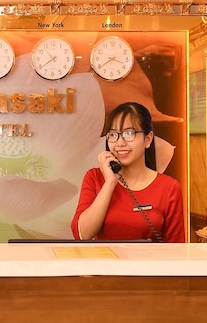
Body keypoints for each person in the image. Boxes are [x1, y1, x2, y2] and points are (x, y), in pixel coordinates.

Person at [71, 102, 185, 243]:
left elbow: (176, 247)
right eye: (113, 134)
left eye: (129, 133)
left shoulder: (169, 187)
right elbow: (82, 235)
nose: (120, 143)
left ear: (148, 139)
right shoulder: (94, 177)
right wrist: (110, 183)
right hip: (106, 258)